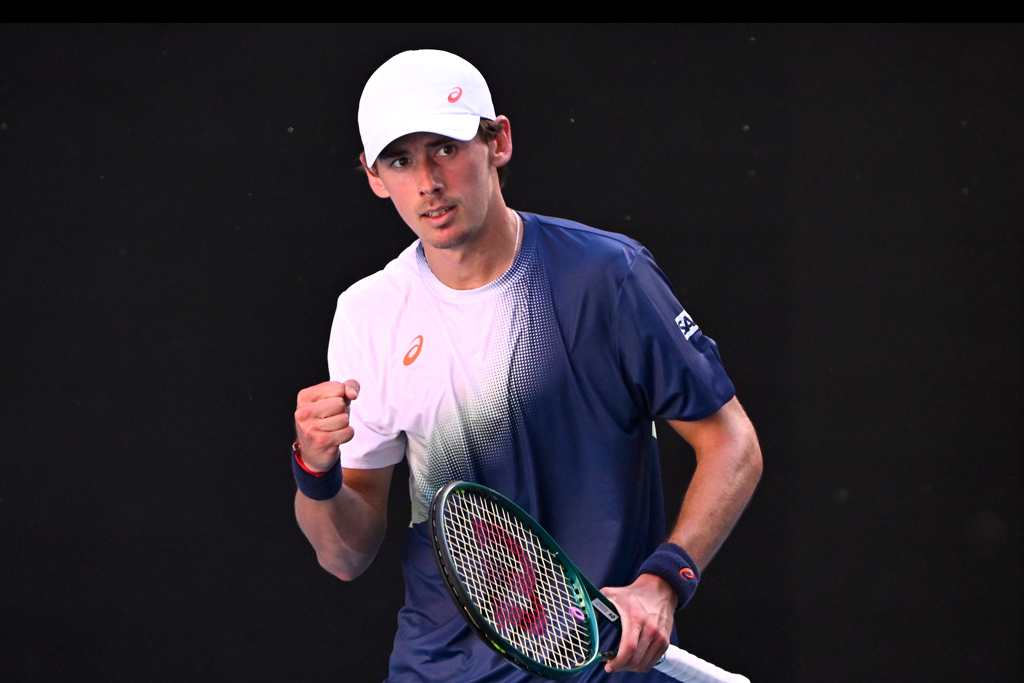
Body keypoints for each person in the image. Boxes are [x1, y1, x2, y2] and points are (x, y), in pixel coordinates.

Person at [292, 49, 762, 682]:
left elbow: (733, 443)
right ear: (375, 177)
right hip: (440, 671)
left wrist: (664, 581)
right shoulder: (367, 313)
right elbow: (345, 557)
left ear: (498, 142)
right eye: (400, 160)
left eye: (445, 148)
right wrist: (315, 471)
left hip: (603, 666)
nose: (427, 181)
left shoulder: (607, 277)